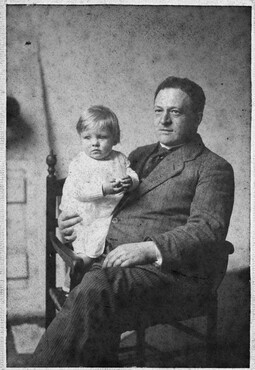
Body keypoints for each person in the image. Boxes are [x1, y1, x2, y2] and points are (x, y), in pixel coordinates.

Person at [31, 76, 234, 367]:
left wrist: (148, 249)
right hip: (109, 257)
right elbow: (96, 203)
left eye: (175, 112)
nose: (163, 120)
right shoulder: (135, 156)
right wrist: (67, 225)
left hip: (168, 272)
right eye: (158, 110)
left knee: (96, 286)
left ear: (198, 117)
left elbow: (208, 229)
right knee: (95, 293)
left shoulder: (212, 167)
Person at [60, 105, 139, 275]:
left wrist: (130, 181)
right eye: (87, 137)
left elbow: (133, 175)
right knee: (87, 249)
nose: (94, 143)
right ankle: (77, 275)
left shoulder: (120, 159)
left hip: (107, 215)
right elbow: (79, 191)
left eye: (102, 137)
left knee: (110, 240)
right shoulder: (79, 163)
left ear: (114, 138)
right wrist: (103, 188)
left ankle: (97, 277)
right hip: (84, 217)